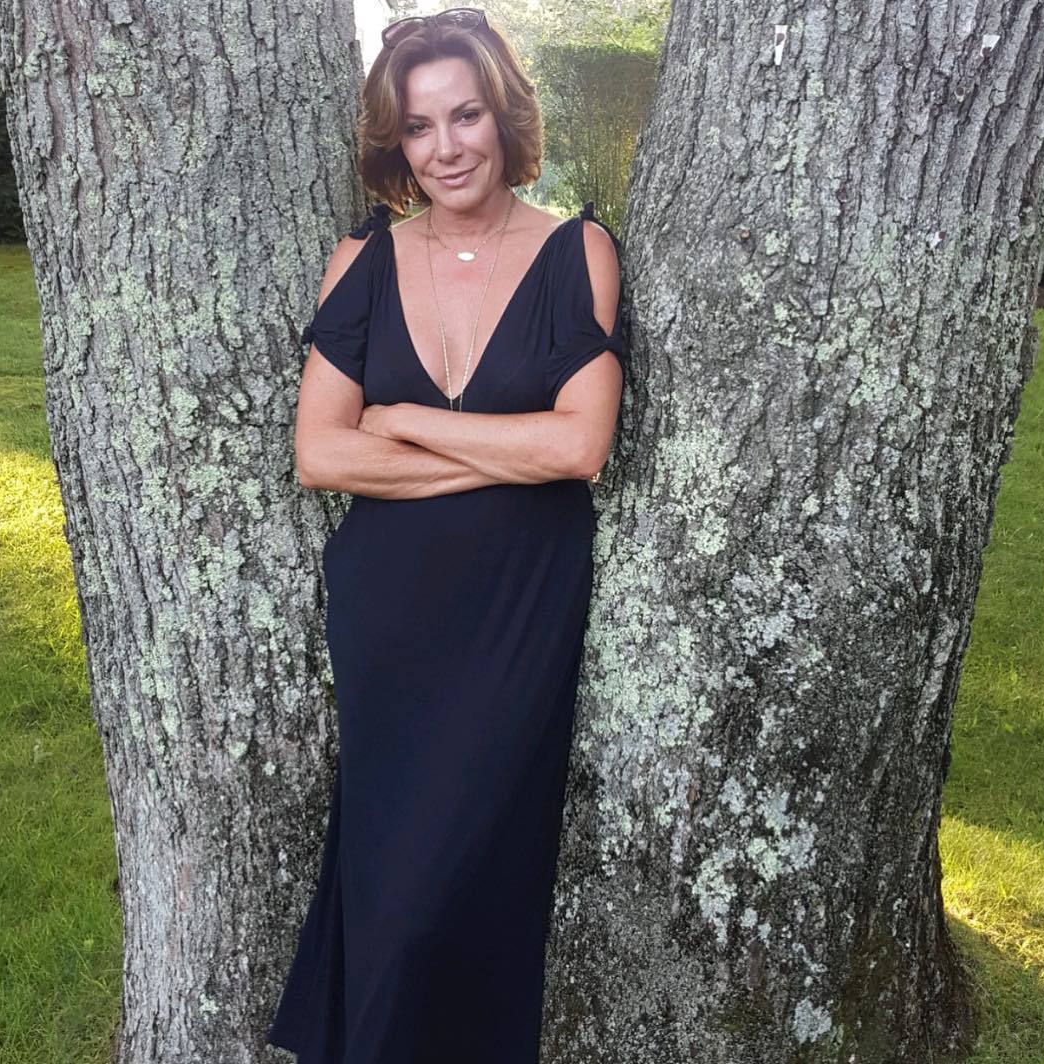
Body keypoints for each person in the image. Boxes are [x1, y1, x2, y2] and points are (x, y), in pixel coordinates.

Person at [266, 7, 627, 1062]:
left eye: (465, 116)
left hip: (518, 610)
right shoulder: (363, 261)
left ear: (504, 116)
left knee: (461, 885)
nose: (446, 147)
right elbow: (321, 455)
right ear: (398, 143)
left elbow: (578, 446)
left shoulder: (575, 250)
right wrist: (500, 451)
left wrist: (408, 418)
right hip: (390, 615)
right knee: (392, 882)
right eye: (419, 128)